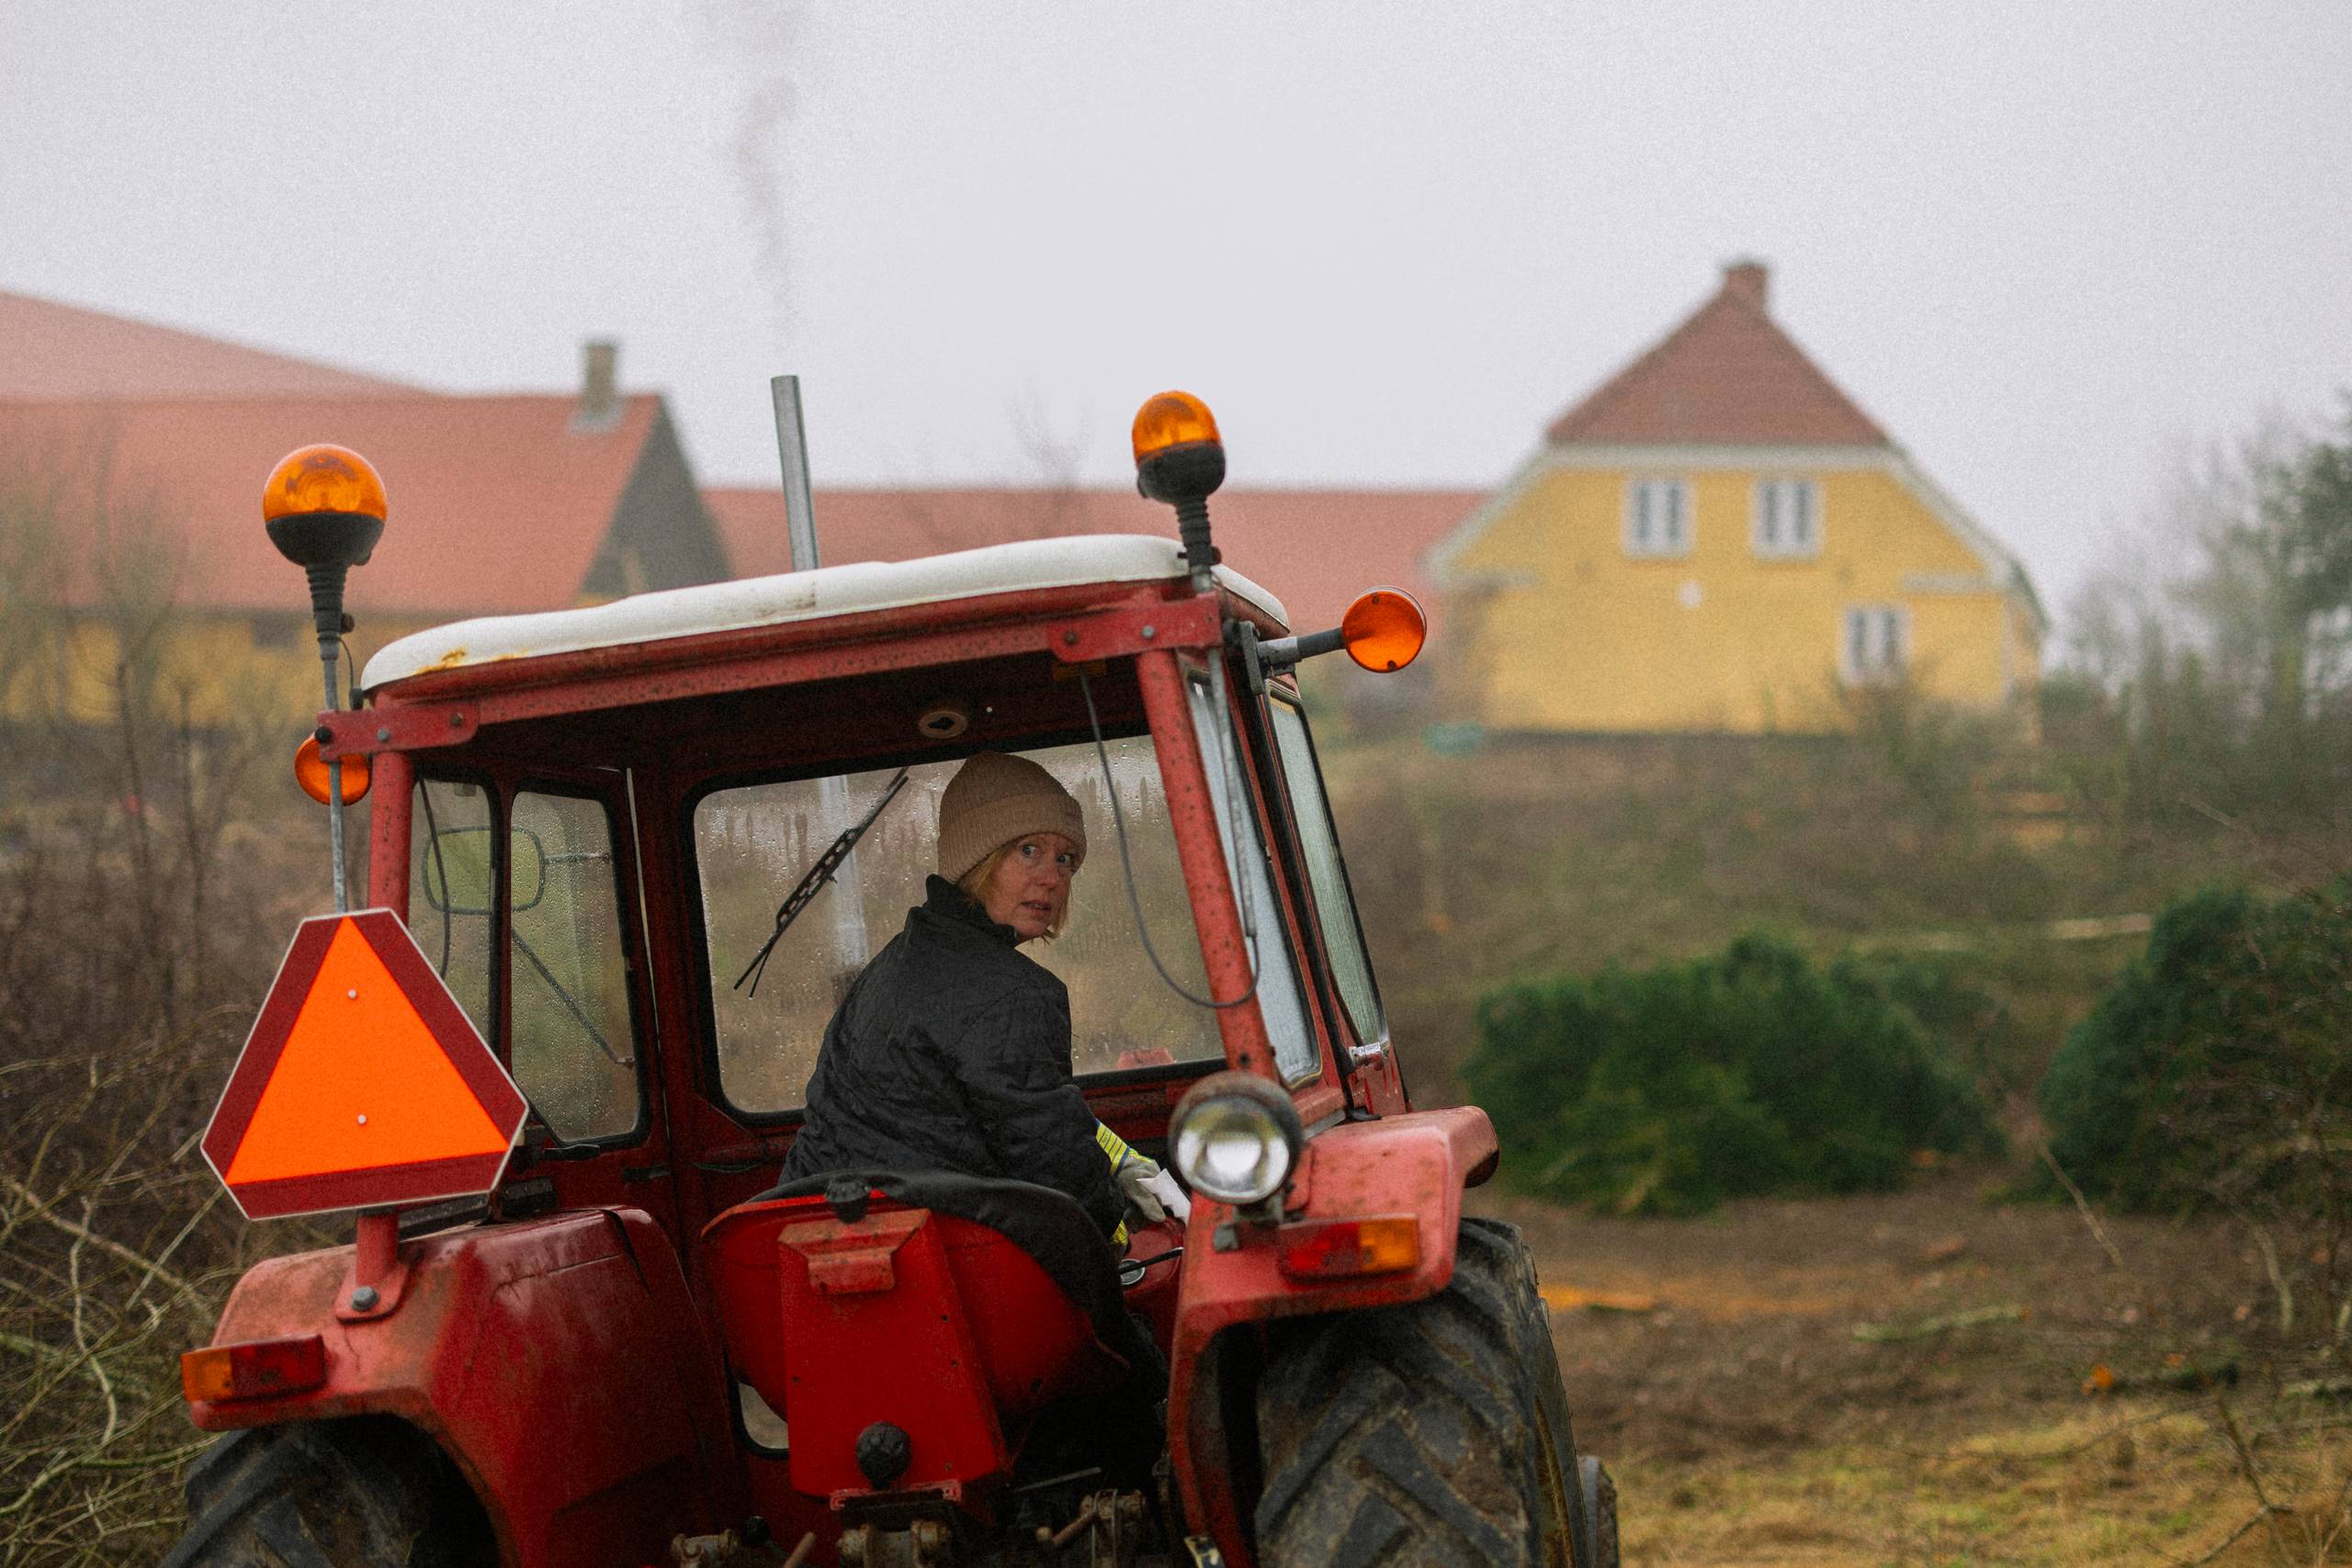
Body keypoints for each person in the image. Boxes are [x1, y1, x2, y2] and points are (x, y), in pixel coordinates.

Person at [781, 750, 1162, 1240]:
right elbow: (1057, 1169)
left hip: (821, 1245)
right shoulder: (1010, 994)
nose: (1052, 877)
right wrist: (1118, 1223)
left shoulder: (892, 965)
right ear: (977, 859)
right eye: (1028, 850)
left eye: (1065, 859)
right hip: (938, 1264)